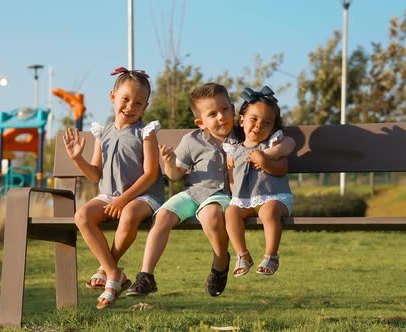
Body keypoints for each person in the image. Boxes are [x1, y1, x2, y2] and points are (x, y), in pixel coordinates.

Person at [63, 67, 164, 309]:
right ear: (112, 97)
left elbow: (150, 174)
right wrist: (78, 158)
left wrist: (124, 200)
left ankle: (108, 275)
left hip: (142, 196)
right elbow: (96, 173)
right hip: (109, 194)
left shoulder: (146, 133)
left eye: (138, 103)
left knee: (128, 213)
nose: (130, 107)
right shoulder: (103, 132)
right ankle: (113, 272)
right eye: (125, 99)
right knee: (82, 216)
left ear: (145, 106)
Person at [126, 82, 236, 298]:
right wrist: (169, 161)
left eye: (224, 110)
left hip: (221, 195)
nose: (221, 117)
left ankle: (220, 261)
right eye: (212, 114)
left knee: (211, 215)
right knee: (163, 216)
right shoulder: (192, 140)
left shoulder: (243, 138)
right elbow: (175, 175)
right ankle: (146, 275)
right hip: (193, 193)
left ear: (233, 109)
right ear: (200, 122)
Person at [224, 86, 295, 278]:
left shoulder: (272, 145)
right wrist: (235, 195)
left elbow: (281, 170)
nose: (258, 126)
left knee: (268, 211)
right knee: (230, 211)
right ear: (242, 121)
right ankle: (243, 255)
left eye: (266, 123)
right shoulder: (234, 149)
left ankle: (271, 256)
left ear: (273, 128)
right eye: (253, 119)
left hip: (275, 197)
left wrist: (264, 160)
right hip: (246, 199)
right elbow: (233, 179)